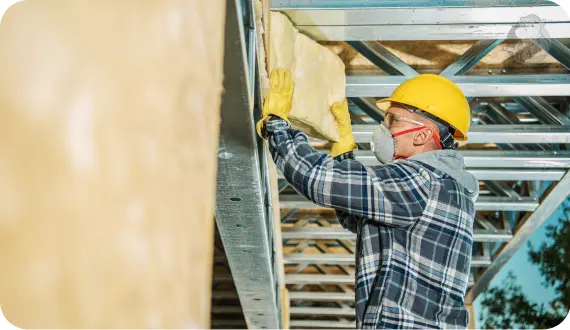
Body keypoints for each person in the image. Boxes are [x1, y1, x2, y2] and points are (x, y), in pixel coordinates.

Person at [256, 69, 479, 329]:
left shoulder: (423, 181)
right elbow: (364, 220)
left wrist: (278, 124)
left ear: (422, 135)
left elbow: (315, 178)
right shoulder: (443, 189)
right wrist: (343, 158)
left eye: (393, 120)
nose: (385, 128)